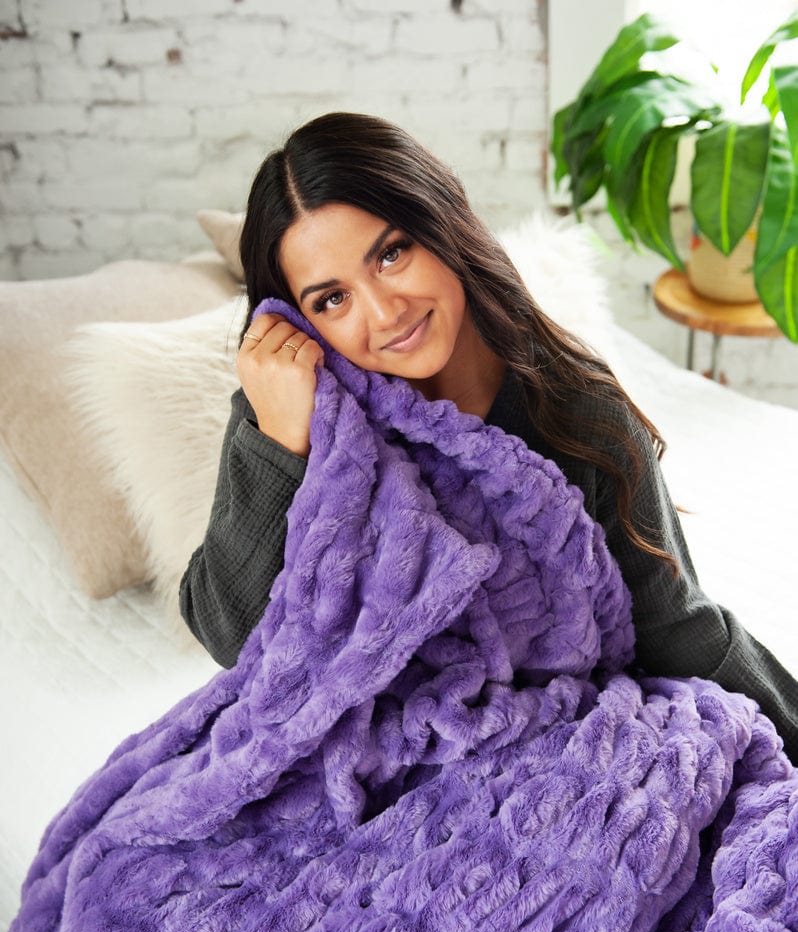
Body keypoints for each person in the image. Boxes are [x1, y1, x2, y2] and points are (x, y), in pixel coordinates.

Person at [179, 111, 798, 762]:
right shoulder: (294, 411)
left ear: (441, 224)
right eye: (332, 299)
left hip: (549, 751)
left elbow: (676, 627)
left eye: (391, 254)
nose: (384, 313)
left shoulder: (579, 412)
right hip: (366, 760)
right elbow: (233, 641)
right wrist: (280, 442)